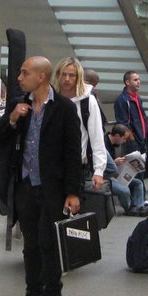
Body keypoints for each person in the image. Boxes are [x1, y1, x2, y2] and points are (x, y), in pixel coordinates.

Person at [0, 56, 82, 296]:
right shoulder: (20, 105)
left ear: (41, 77)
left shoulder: (63, 109)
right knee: (30, 246)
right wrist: (13, 118)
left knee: (49, 245)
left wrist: (73, 192)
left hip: (52, 188)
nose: (19, 77)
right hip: (25, 187)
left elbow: (73, 154)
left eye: (24, 72)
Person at [54, 57, 106, 197]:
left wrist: (99, 171)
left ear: (78, 77)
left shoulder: (88, 101)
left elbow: (97, 137)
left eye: (72, 75)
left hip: (76, 166)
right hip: (51, 166)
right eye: (63, 74)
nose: (67, 79)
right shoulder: (51, 98)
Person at [104, 124, 148, 216]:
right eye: (124, 139)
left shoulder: (112, 145)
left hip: (115, 175)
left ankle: (138, 206)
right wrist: (114, 162)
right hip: (106, 177)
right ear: (117, 136)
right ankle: (129, 208)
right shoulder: (104, 145)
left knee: (138, 183)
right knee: (124, 190)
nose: (124, 142)